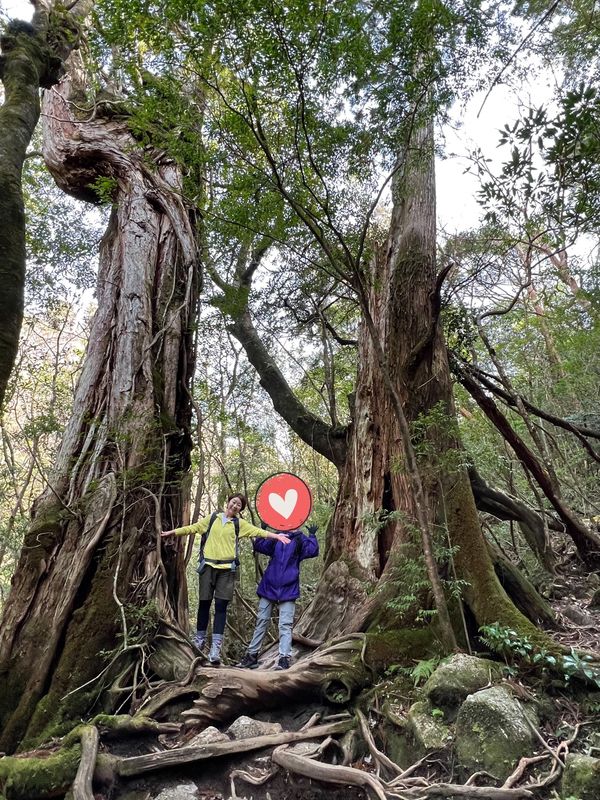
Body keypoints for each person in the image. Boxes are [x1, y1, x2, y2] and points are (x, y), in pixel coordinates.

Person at [161, 493, 290, 665]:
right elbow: (192, 528)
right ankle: (199, 641)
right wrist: (171, 533)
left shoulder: (238, 524)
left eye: (239, 506)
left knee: (221, 607)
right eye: (234, 502)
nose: (235, 506)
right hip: (207, 567)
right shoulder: (213, 518)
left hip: (227, 570)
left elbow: (258, 531)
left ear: (239, 510)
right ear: (228, 502)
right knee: (204, 604)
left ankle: (215, 648)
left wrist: (277, 536)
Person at [238, 522, 319, 671]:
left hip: (289, 587)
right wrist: (263, 531)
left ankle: (284, 659)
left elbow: (313, 551)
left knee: (285, 625)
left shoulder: (300, 539)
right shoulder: (276, 536)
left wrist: (312, 536)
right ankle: (251, 656)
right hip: (269, 585)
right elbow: (260, 546)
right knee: (261, 621)